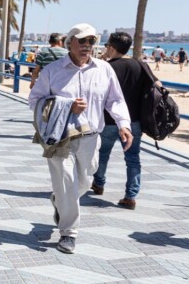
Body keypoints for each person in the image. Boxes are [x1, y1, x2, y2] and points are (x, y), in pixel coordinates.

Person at [28, 23, 132, 255]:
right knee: (67, 182)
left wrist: (123, 124)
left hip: (91, 137)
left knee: (85, 181)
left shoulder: (104, 69)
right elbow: (34, 101)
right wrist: (66, 106)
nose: (87, 46)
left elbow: (115, 100)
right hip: (61, 137)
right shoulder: (53, 70)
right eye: (82, 41)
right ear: (70, 43)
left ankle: (59, 201)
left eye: (91, 42)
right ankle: (69, 233)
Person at [91, 31, 151, 210]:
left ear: (112, 47)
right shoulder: (139, 65)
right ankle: (130, 196)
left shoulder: (106, 67)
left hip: (110, 120)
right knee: (133, 158)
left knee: (102, 154)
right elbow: (156, 85)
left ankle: (99, 183)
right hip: (134, 121)